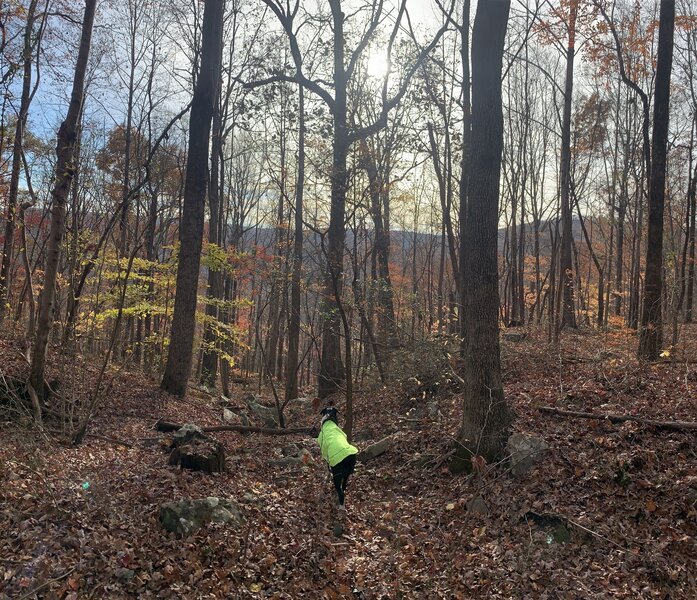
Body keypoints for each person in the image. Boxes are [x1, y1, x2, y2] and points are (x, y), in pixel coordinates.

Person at [315, 407, 358, 512]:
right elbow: (344, 436)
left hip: (336, 456)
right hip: (351, 453)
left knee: (337, 485)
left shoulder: (324, 432)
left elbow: (323, 448)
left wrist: (328, 461)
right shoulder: (338, 429)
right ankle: (342, 493)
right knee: (344, 479)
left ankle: (342, 505)